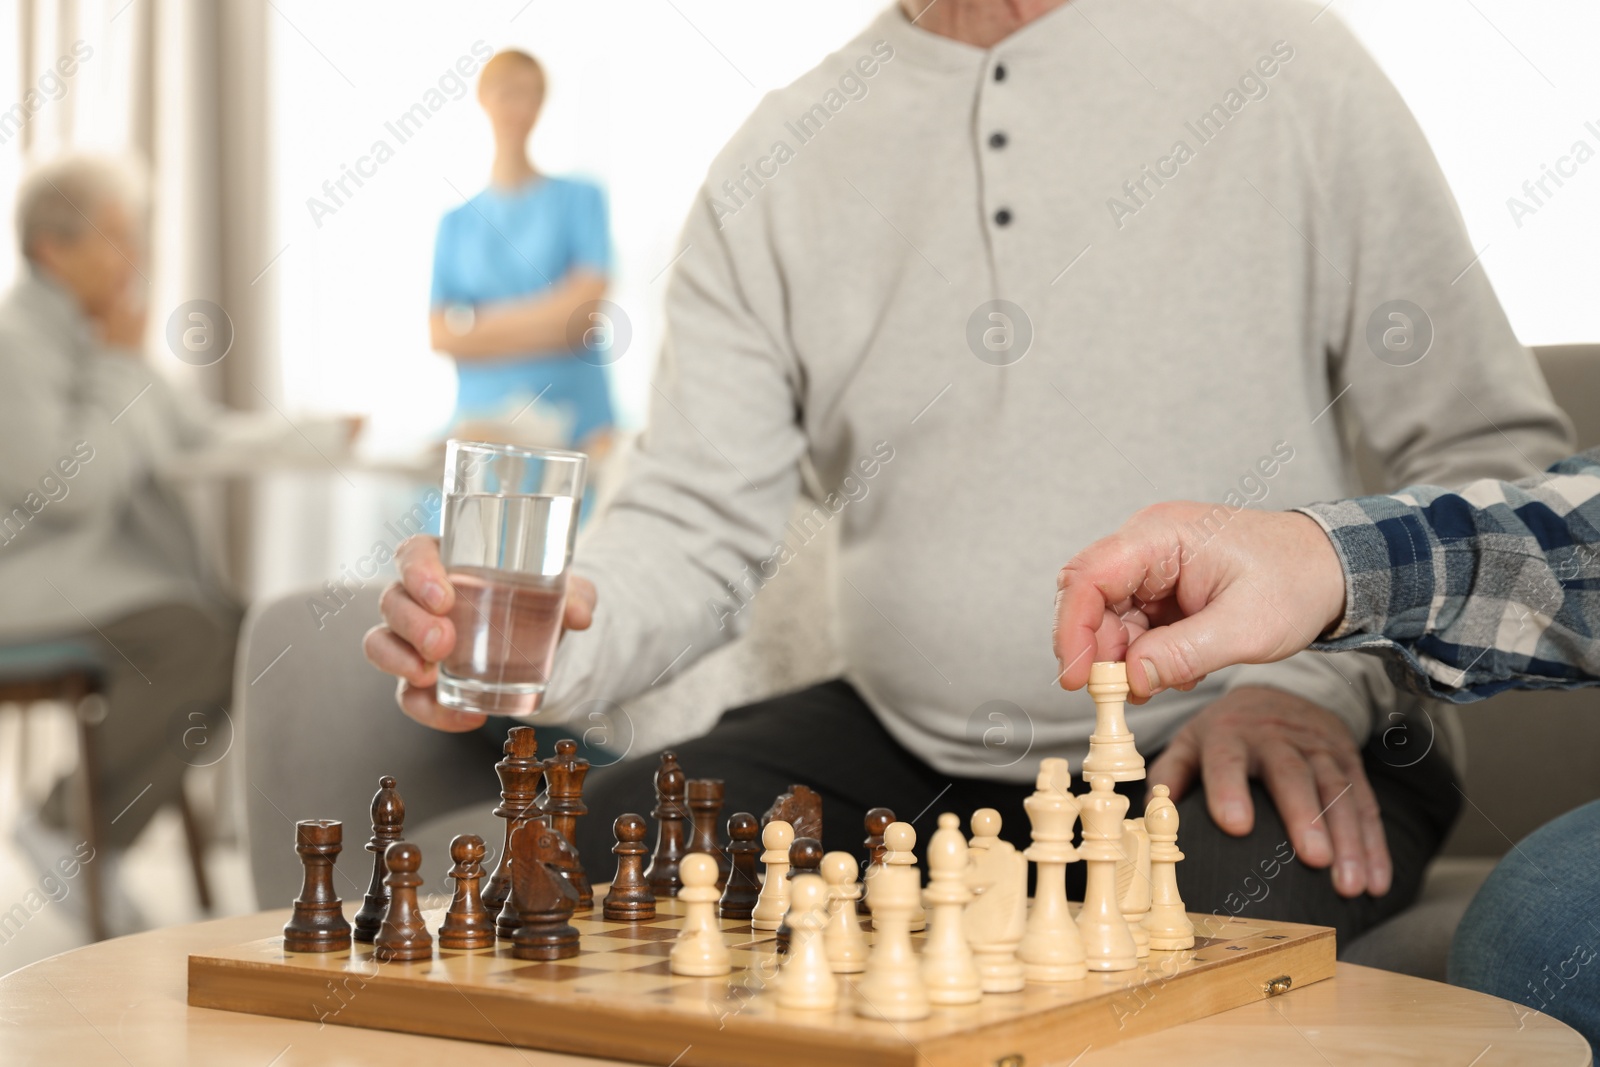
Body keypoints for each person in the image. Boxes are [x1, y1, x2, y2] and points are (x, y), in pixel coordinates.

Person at [350, 0, 1573, 947]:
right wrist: (550, 636)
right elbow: (690, 514)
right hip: (909, 746)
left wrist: (1317, 684)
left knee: (1160, 941)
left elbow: (1488, 455)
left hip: (1261, 733)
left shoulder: (1289, 63)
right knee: (610, 851)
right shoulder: (778, 156)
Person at [1051, 449, 1600, 1053]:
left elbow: (1497, 448)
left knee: (1534, 932)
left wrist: (1299, 676)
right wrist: (1316, 558)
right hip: (941, 760)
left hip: (1280, 728)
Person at [0, 155, 346, 931]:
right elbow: (73, 484)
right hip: (26, 584)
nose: (136, 260)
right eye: (117, 239)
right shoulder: (16, 341)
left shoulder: (99, 341)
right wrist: (120, 365)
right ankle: (66, 825)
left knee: (242, 628)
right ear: (53, 249)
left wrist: (327, 431)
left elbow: (204, 434)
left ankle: (92, 834)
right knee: (196, 636)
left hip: (91, 581)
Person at [429, 49, 616, 463]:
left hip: (577, 432)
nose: (519, 107)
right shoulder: (457, 223)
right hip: (480, 436)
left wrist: (477, 331)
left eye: (531, 95)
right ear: (483, 99)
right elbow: (439, 335)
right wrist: (551, 322)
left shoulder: (580, 198)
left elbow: (583, 314)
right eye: (508, 93)